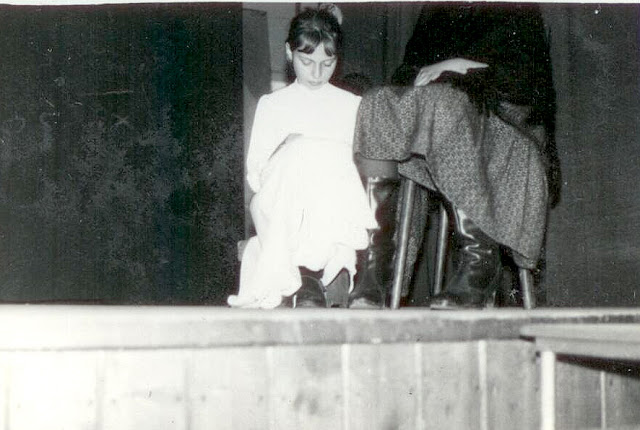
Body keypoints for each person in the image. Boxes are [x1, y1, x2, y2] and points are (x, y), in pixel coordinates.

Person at [350, 3, 557, 309]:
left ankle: (479, 264)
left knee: (447, 105)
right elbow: (407, 71)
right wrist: (426, 75)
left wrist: (458, 68)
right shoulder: (437, 9)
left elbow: (526, 81)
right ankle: (377, 266)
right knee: (375, 102)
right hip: (441, 121)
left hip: (503, 127)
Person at [227, 7, 377, 309]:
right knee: (300, 150)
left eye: (327, 63)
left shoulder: (352, 105)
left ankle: (305, 277)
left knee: (317, 151)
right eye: (306, 62)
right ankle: (312, 273)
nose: (316, 73)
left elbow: (359, 173)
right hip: (280, 202)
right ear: (288, 52)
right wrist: (287, 149)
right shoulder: (272, 104)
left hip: (333, 205)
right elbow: (256, 176)